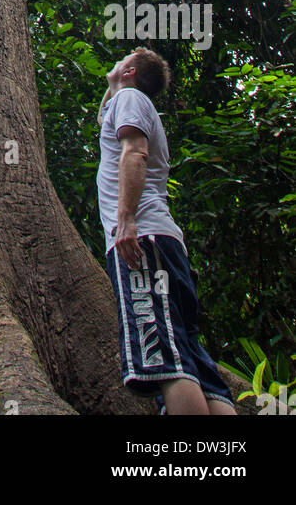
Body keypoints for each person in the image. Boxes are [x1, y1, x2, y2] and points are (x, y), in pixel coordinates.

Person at [96, 47, 236, 415]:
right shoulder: (128, 101)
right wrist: (115, 83)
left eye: (122, 61)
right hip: (164, 243)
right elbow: (103, 121)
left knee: (167, 362)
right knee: (193, 363)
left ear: (128, 73)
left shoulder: (129, 99)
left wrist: (125, 220)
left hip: (142, 241)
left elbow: (135, 151)